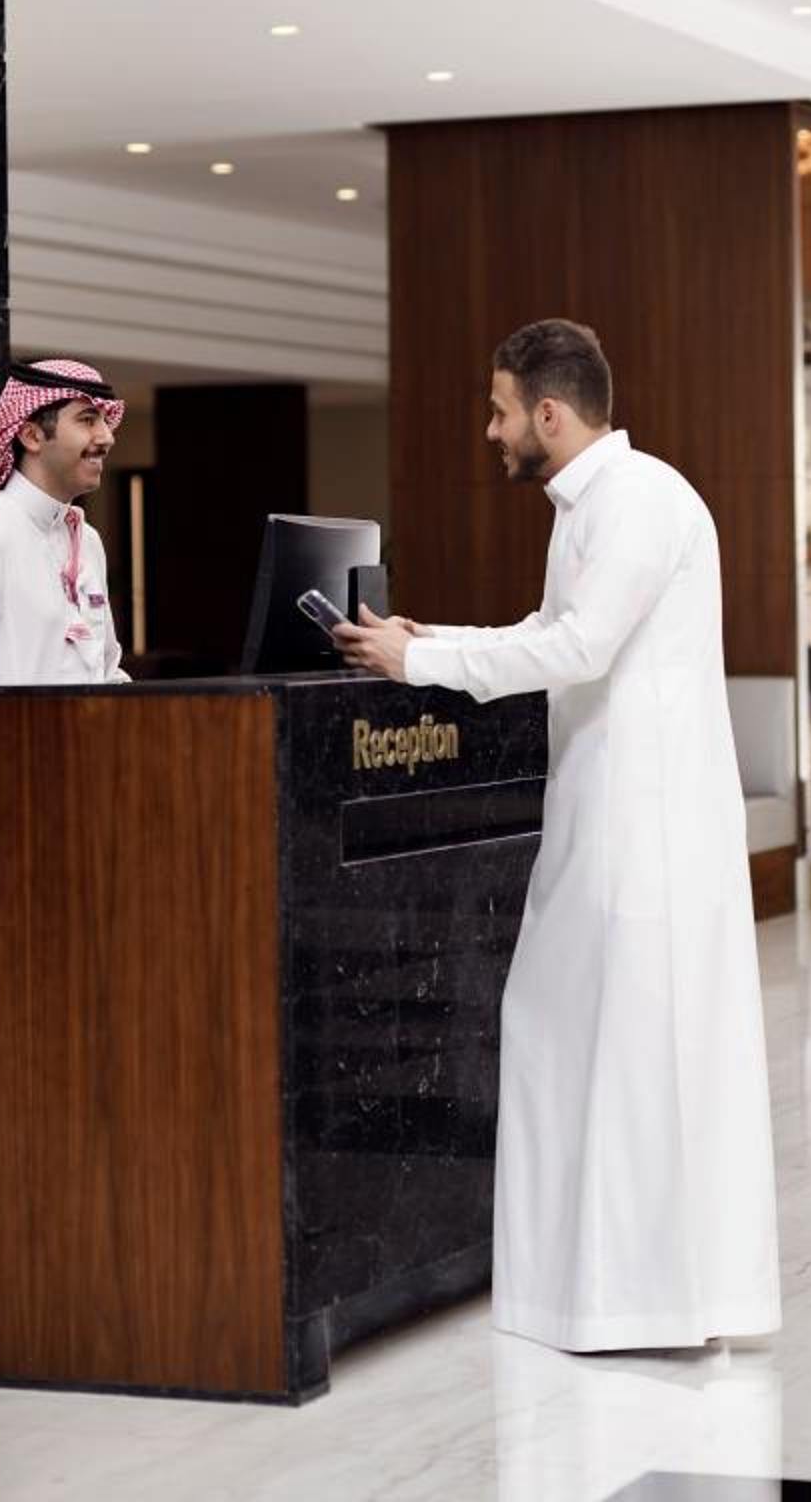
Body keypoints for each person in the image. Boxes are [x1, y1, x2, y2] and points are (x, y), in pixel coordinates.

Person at [332, 318, 780, 1352]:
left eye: (499, 412)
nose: (491, 432)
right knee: (573, 1035)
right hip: (612, 813)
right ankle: (594, 1295)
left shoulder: (638, 499)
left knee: (635, 1051)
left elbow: (579, 647)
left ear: (548, 411)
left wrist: (421, 664)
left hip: (646, 826)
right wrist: (428, 639)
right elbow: (550, 632)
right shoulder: (595, 504)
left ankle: (645, 1303)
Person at [0, 358, 130, 686]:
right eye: (87, 420)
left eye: (104, 420)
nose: (107, 437)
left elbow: (106, 670)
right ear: (32, 436)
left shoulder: (88, 540)